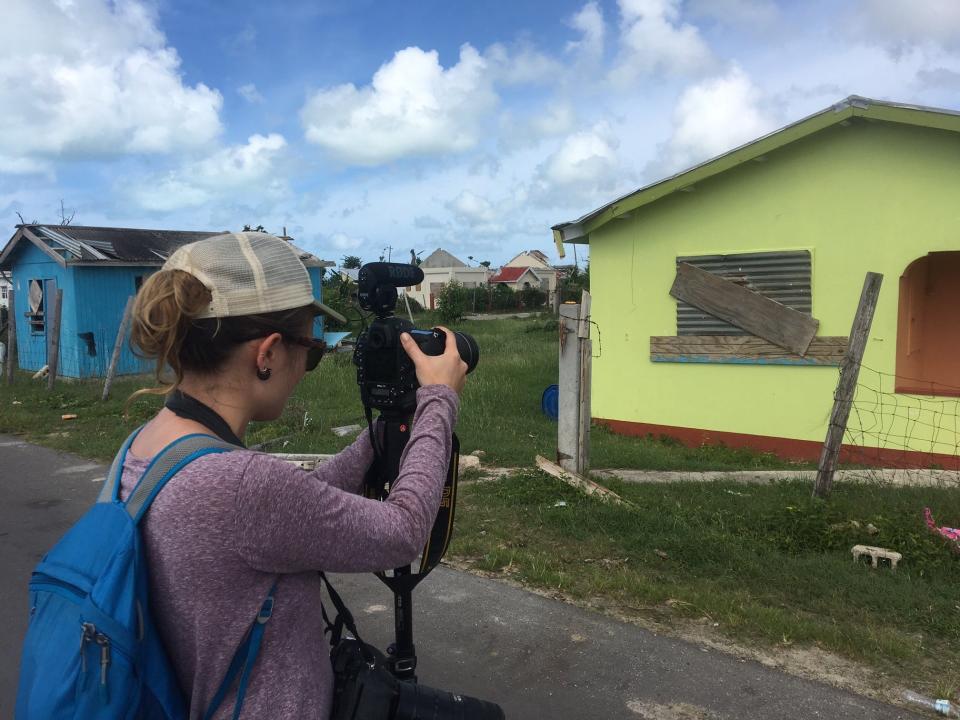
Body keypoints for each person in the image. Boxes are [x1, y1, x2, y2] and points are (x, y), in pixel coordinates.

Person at [122, 231, 467, 719]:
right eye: (311, 350)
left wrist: (387, 427)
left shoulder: (151, 448)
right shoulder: (243, 487)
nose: (307, 367)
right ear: (267, 353)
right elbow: (403, 532)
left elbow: (298, 503)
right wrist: (439, 401)